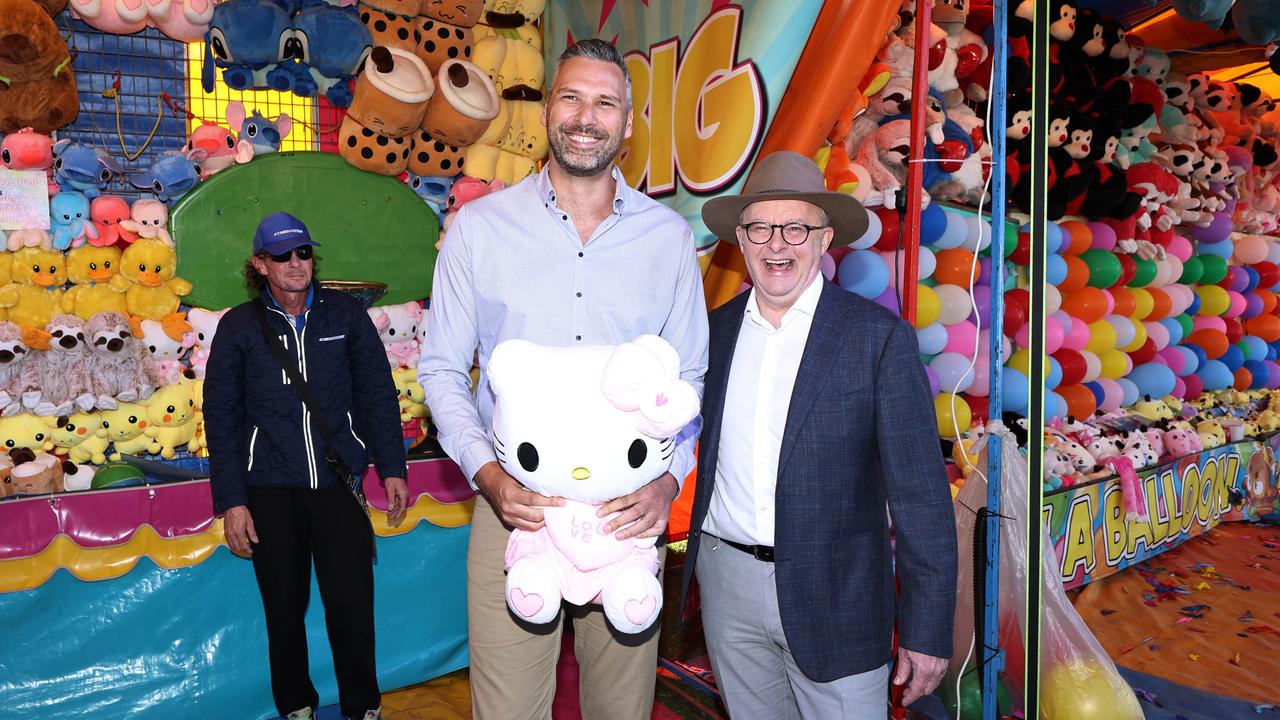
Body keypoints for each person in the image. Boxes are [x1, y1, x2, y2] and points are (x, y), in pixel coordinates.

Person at [419, 38, 709, 720]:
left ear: (629, 123)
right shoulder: (478, 230)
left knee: (621, 708)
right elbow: (440, 368)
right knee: (508, 710)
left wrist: (667, 484)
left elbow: (689, 379)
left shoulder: (667, 239)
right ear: (549, 110)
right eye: (572, 97)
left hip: (626, 516)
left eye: (606, 102)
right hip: (515, 509)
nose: (587, 116)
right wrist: (488, 476)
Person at [679, 151, 958, 719]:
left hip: (839, 591)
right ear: (741, 236)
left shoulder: (878, 339)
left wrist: (927, 629)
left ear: (824, 238)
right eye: (760, 227)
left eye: (796, 228)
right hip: (726, 582)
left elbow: (922, 497)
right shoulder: (714, 334)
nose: (777, 243)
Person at [205, 211, 410, 720]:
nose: (296, 263)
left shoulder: (345, 316)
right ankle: (296, 706)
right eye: (282, 256)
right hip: (269, 490)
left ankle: (364, 707)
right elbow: (222, 417)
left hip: (339, 482)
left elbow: (378, 395)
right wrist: (232, 500)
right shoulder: (238, 328)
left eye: (303, 252)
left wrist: (391, 466)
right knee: (283, 608)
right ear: (260, 265)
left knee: (352, 607)